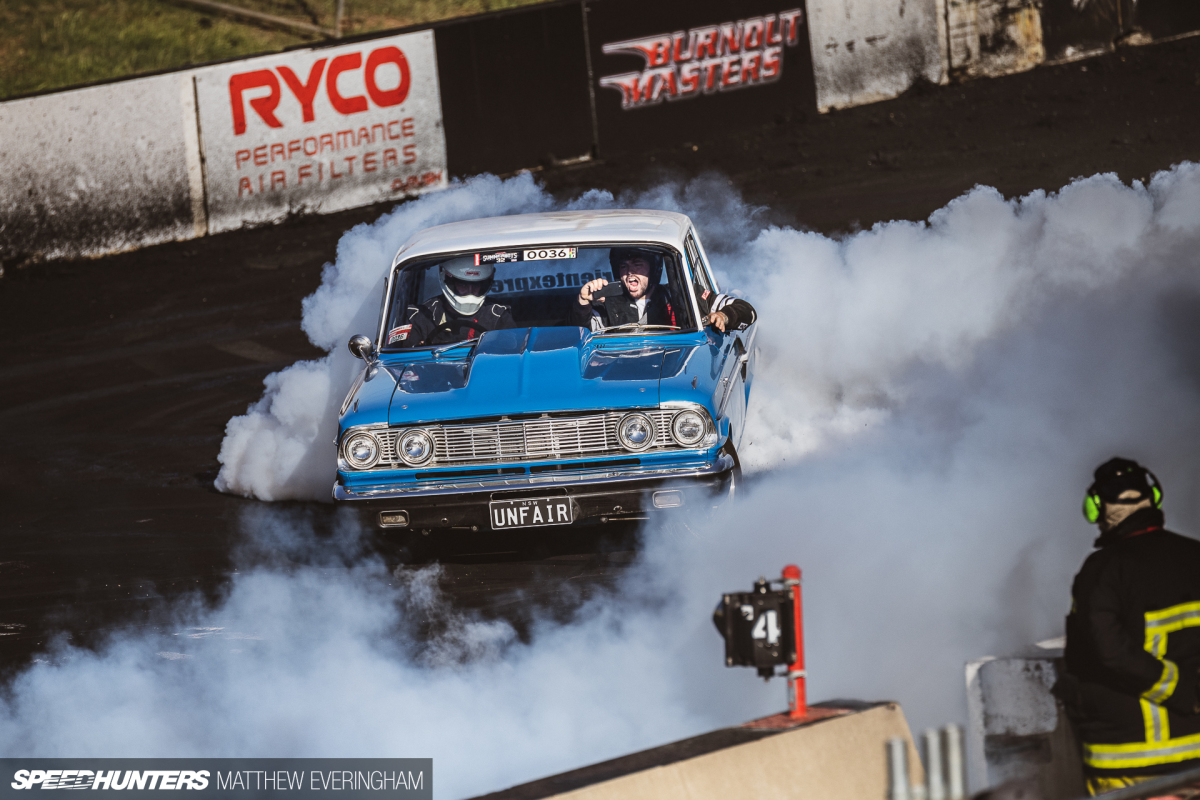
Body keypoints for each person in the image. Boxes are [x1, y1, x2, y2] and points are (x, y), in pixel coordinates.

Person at [1053, 457, 1200, 796]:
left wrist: (1175, 687)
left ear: (1096, 508)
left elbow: (1105, 650)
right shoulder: (1194, 554)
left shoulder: (1101, 570)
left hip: (1130, 761)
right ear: (1154, 499)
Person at [570, 247, 756, 333]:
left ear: (654, 269)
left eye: (637, 265)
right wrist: (582, 302)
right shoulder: (608, 303)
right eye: (623, 266)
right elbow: (579, 332)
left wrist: (724, 316)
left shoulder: (685, 295)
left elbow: (748, 311)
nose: (629, 273)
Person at [390, 260, 515, 347]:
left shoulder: (498, 315)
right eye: (463, 284)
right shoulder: (418, 316)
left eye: (476, 284)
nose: (470, 291)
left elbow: (510, 358)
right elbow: (402, 366)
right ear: (448, 280)